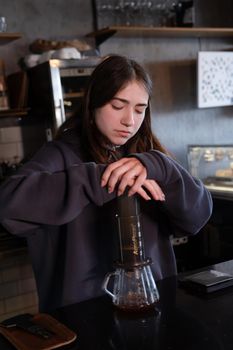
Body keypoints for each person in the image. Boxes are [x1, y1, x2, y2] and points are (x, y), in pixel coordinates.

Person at [0, 55, 212, 312]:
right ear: (93, 104)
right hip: (82, 316)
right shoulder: (61, 153)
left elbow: (198, 217)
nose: (129, 121)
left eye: (139, 109)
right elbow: (8, 203)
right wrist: (102, 178)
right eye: (117, 105)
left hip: (152, 302)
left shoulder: (151, 158)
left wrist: (163, 167)